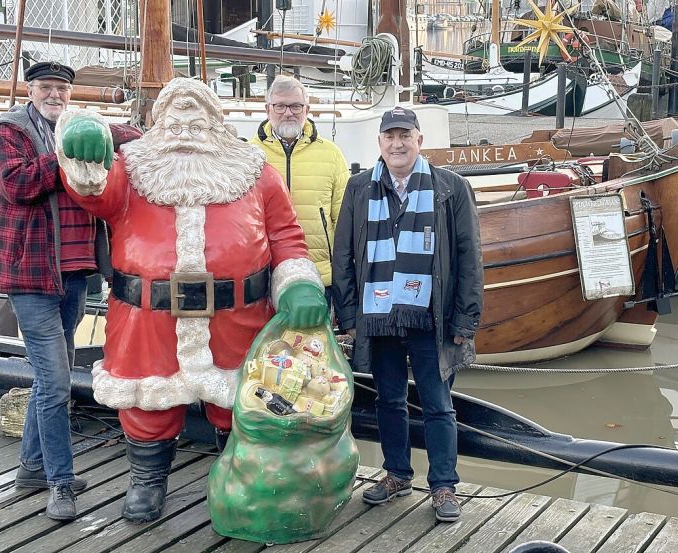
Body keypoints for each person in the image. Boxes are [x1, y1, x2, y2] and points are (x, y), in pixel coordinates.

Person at [55, 78, 328, 523]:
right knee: (146, 405)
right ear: (159, 124)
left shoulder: (255, 170)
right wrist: (82, 134)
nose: (185, 130)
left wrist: (297, 282)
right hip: (148, 318)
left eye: (196, 121)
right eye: (176, 121)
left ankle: (240, 479)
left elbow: (285, 236)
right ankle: (147, 483)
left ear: (215, 124)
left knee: (240, 404)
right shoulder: (132, 166)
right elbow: (91, 189)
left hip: (238, 317)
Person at [0, 61, 141, 522]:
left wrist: (109, 132)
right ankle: (60, 483)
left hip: (74, 273)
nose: (55, 95)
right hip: (29, 275)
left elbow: (129, 136)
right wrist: (69, 149)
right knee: (56, 383)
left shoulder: (79, 123)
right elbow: (15, 185)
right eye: (46, 87)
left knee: (50, 377)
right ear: (31, 91)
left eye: (62, 89)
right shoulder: (11, 131)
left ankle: (32, 468)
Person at [331, 106, 483, 523]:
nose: (397, 144)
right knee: (389, 400)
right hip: (378, 316)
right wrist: (347, 316)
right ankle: (397, 474)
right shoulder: (359, 188)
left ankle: (443, 485)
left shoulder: (450, 188)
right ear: (379, 142)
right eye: (389, 136)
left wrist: (465, 320)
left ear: (420, 140)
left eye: (405, 136)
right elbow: (343, 253)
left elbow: (470, 257)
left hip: (431, 317)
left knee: (438, 404)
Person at [250, 75, 349, 299]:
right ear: (267, 109)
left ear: (307, 109)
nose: (288, 112)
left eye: (296, 106)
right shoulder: (248, 155)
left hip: (320, 276)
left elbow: (344, 221)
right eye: (280, 106)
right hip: (263, 278)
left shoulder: (331, 155)